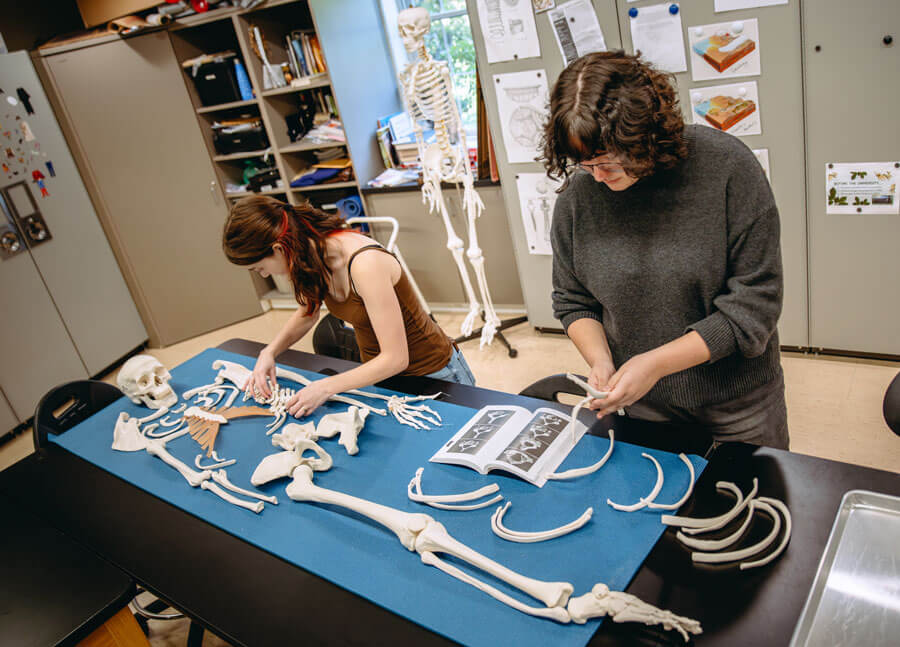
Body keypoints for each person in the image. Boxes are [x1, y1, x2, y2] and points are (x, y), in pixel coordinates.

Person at [541, 51, 788, 448]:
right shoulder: (578, 198)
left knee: (755, 506)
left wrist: (654, 364)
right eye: (586, 166)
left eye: (608, 163)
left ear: (644, 136)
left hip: (737, 404)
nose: (599, 178)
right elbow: (573, 300)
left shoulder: (727, 168)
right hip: (644, 403)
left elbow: (754, 306)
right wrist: (602, 360)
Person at [222, 196, 475, 417]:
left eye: (259, 268)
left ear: (278, 249)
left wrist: (324, 387)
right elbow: (307, 314)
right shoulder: (308, 257)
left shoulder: (365, 265)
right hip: (382, 376)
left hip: (434, 375)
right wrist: (269, 352)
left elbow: (396, 358)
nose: (264, 275)